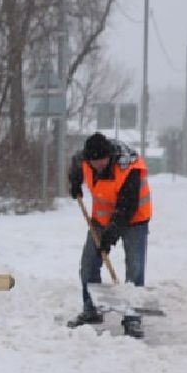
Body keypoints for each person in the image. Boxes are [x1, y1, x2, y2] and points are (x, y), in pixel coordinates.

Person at [68, 131, 152, 338]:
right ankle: (91, 310)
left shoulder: (128, 168)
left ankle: (132, 318)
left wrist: (108, 239)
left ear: (110, 156)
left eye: (101, 162)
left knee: (135, 268)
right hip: (100, 218)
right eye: (93, 162)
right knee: (88, 264)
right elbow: (75, 166)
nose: (96, 166)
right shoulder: (85, 159)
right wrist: (75, 183)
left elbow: (126, 208)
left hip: (134, 219)